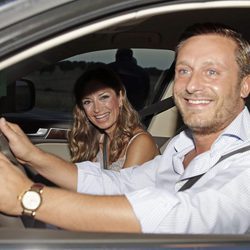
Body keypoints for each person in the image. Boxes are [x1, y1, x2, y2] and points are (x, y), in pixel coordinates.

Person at [0, 22, 250, 234]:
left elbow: (185, 215)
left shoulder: (245, 164)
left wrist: (28, 197)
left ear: (244, 85)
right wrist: (31, 155)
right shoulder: (180, 146)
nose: (192, 85)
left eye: (212, 71)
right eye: (184, 70)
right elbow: (120, 184)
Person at [67, 64, 159, 170]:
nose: (97, 109)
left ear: (120, 98)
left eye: (104, 97)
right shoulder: (98, 140)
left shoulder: (141, 142)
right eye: (87, 102)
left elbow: (121, 186)